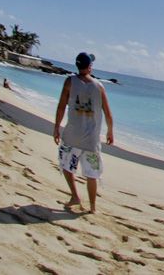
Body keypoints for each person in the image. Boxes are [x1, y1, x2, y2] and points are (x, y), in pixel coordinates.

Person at [53, 52, 114, 213]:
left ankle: (75, 196)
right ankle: (93, 207)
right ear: (90, 66)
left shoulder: (69, 82)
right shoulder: (99, 87)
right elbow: (107, 113)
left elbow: (61, 106)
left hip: (72, 136)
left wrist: (56, 127)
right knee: (92, 174)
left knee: (66, 166)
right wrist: (110, 131)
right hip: (91, 140)